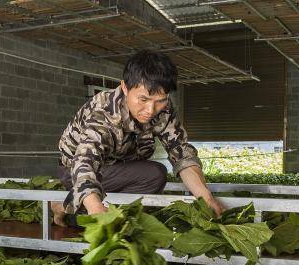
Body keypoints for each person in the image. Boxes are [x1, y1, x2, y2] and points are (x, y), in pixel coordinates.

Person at [51, 50, 226, 226]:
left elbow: (181, 154)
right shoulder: (103, 112)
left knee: (155, 175)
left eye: (160, 100)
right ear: (125, 88)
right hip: (75, 171)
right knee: (95, 210)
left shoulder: (164, 108)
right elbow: (85, 162)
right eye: (143, 99)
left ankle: (72, 207)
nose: (150, 110)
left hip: (120, 168)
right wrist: (96, 209)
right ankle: (64, 207)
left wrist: (206, 198)